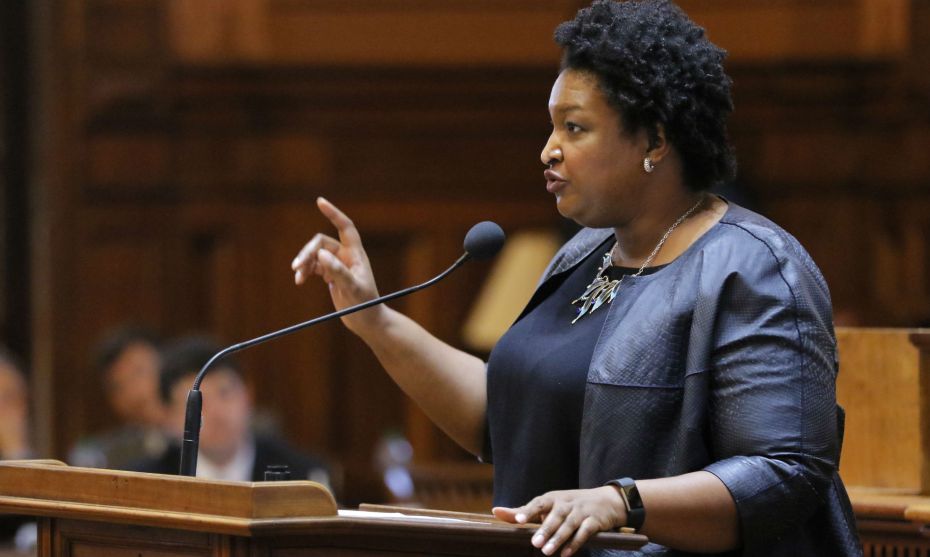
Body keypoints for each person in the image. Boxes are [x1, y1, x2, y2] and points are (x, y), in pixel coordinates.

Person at [289, 1, 861, 555]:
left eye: (575, 128)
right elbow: (505, 422)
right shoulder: (584, 253)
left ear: (654, 140)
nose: (548, 151)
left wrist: (621, 502)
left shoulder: (753, 267)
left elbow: (785, 469)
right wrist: (374, 319)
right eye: (552, 128)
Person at [131, 336, 332, 487]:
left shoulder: (304, 477)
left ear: (248, 394)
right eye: (200, 403)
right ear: (169, 416)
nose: (217, 413)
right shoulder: (148, 483)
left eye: (225, 393)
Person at [69, 327, 169, 470]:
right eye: (119, 386)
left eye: (139, 372)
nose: (135, 392)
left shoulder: (198, 436)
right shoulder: (102, 457)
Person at [0, 346, 37, 550]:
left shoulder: (42, 463)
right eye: (3, 399)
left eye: (14, 399)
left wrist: (17, 454)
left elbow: (30, 525)